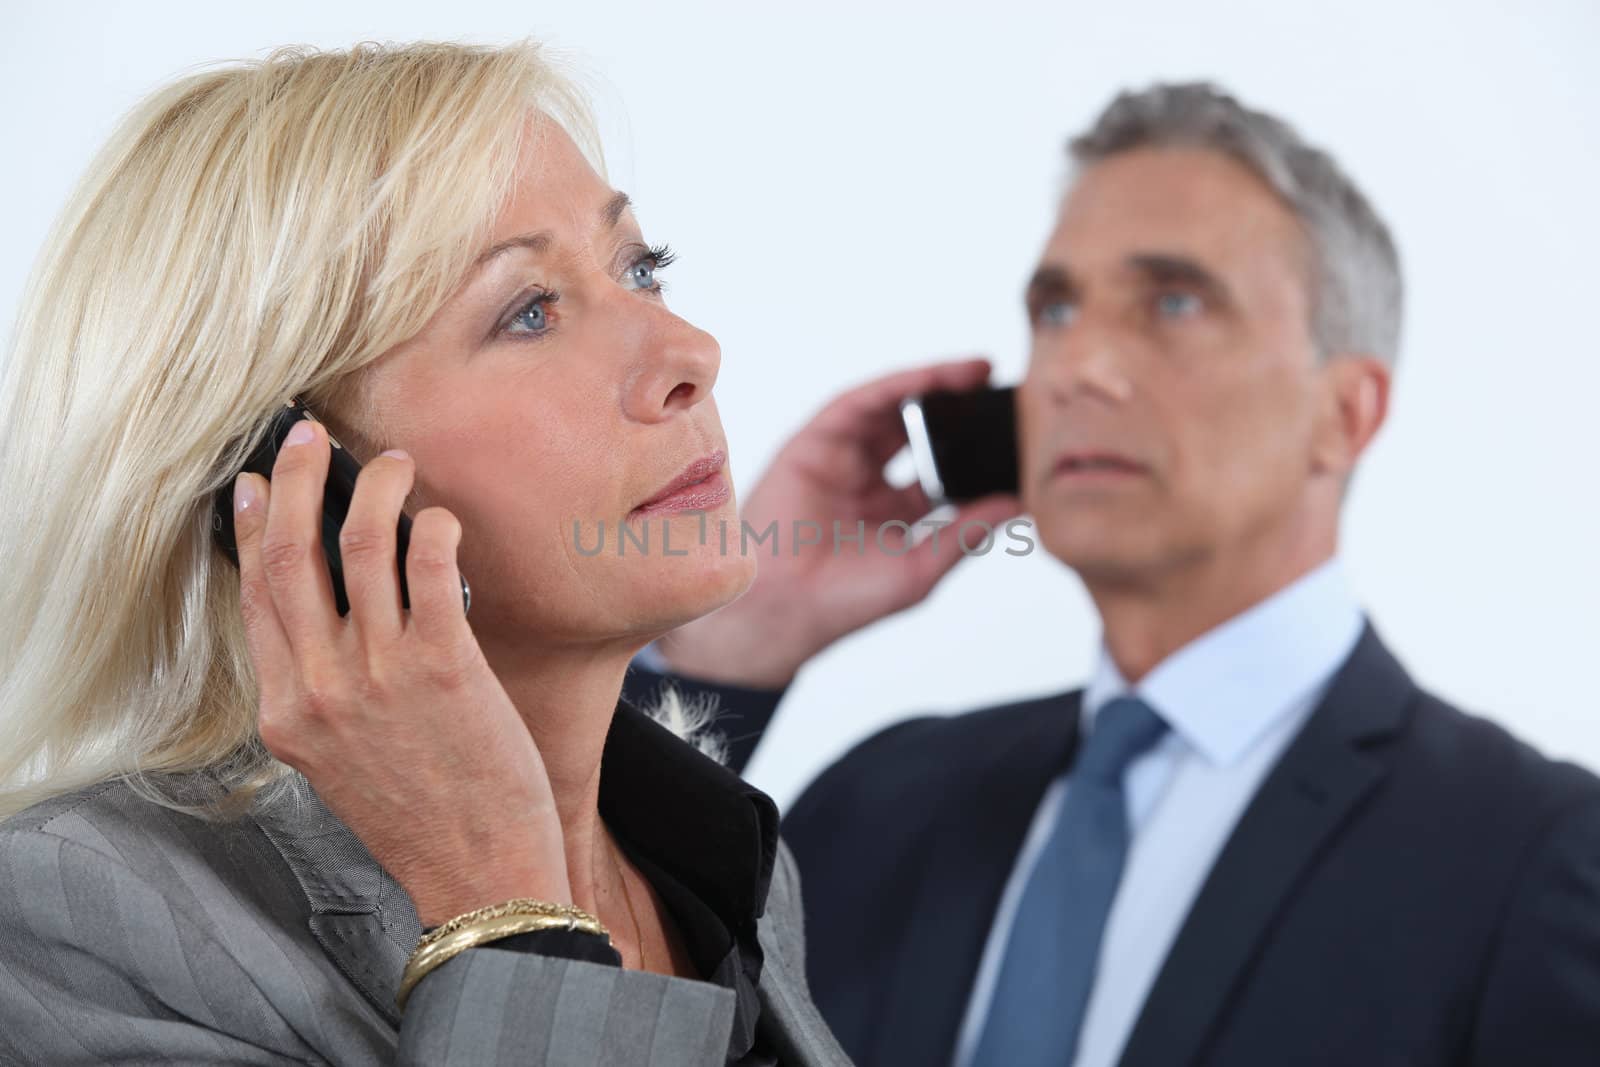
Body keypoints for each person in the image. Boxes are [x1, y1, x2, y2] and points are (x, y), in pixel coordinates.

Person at [627, 82, 1600, 1066]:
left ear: (1344, 411)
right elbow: (584, 994)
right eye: (1055, 309)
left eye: (1173, 301)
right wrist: (735, 639)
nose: (1077, 365)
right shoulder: (885, 800)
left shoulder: (1537, 855)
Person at [0, 40, 852, 1066]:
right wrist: (503, 909)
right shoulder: (73, 914)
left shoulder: (727, 867)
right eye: (528, 312)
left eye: (641, 268)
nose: (688, 353)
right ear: (282, 478)